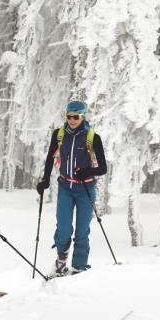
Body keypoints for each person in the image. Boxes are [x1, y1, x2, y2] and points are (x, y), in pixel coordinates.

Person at [35, 100, 108, 276]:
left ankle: (78, 268)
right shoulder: (59, 135)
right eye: (69, 116)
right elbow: (50, 158)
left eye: (76, 117)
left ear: (82, 117)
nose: (72, 120)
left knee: (82, 231)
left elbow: (103, 168)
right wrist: (45, 179)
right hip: (65, 188)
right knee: (64, 229)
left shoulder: (92, 137)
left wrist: (87, 171)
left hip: (86, 189)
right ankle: (61, 260)